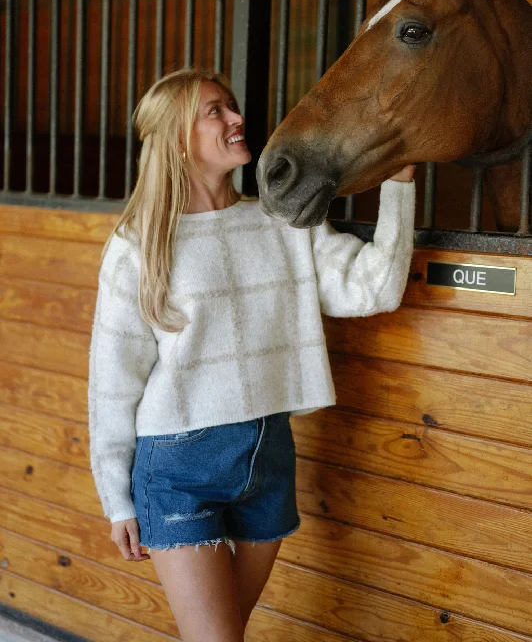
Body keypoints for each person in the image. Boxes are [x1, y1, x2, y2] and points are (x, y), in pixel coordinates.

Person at [88, 68, 416, 642]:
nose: (237, 118)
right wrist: (117, 498)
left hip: (268, 455)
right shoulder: (139, 246)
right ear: (175, 137)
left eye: (231, 106)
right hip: (178, 464)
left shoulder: (281, 221)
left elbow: (374, 289)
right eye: (214, 111)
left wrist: (400, 185)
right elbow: (113, 383)